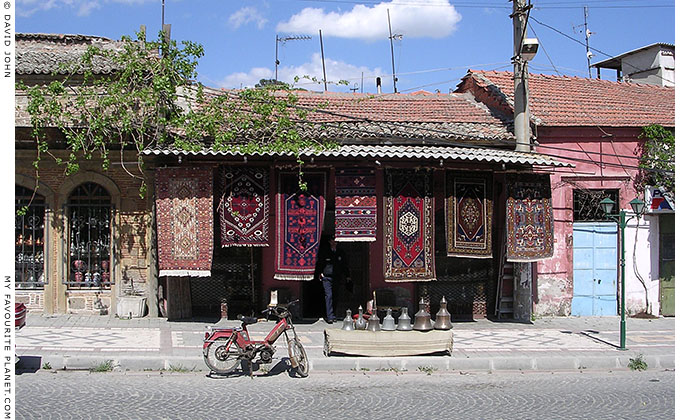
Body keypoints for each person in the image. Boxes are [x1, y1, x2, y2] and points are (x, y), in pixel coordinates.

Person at [315, 234, 351, 323]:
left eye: (336, 241)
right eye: (333, 240)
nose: (335, 242)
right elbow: (320, 263)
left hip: (337, 277)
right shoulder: (325, 252)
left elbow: (344, 265)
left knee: (335, 296)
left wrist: (347, 276)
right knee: (329, 296)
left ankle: (334, 314)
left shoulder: (340, 252)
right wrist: (319, 273)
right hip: (327, 277)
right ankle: (329, 316)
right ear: (330, 242)